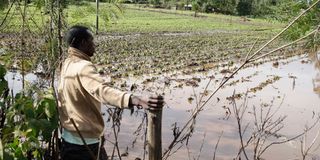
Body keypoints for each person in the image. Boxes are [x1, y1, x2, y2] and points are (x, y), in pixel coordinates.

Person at [57, 25, 164, 160]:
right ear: (83, 43)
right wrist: (136, 100)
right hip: (84, 144)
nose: (94, 45)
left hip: (69, 138)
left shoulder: (66, 63)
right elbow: (101, 91)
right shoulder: (84, 66)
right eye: (91, 41)